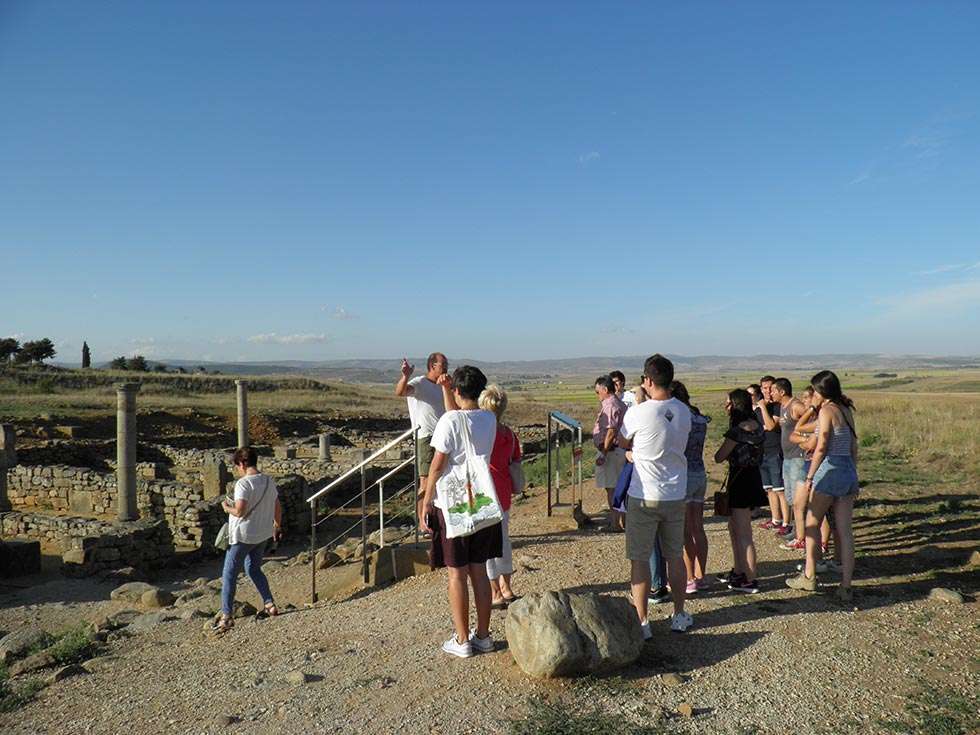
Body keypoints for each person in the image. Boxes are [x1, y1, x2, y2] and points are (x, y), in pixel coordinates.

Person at [419, 365, 502, 658]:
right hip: (481, 501)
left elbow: (438, 463)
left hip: (453, 503)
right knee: (479, 569)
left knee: (457, 573)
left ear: (456, 390)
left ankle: (462, 638)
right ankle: (483, 635)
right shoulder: (489, 419)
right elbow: (462, 417)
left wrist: (426, 499)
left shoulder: (449, 421)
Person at [618, 354, 693, 636]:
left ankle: (643, 621)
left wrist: (639, 404)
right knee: (675, 555)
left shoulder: (639, 411)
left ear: (648, 380)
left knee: (640, 559)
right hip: (675, 493)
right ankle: (679, 613)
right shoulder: (683, 411)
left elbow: (624, 441)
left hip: (644, 493)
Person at [786, 371, 858, 602]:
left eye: (815, 391)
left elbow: (822, 444)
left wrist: (810, 477)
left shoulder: (827, 410)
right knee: (845, 531)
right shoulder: (845, 409)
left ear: (822, 391)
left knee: (811, 522)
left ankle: (809, 575)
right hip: (848, 471)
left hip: (829, 470)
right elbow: (854, 444)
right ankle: (846, 585)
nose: (813, 394)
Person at [216, 447, 282, 633]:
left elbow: (240, 511)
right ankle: (269, 604)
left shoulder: (243, 484)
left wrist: (225, 507)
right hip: (262, 533)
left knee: (229, 574)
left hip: (243, 536)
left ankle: (226, 616)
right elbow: (277, 505)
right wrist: (277, 525)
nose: (237, 469)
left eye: (237, 465)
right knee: (253, 568)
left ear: (243, 463)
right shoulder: (269, 481)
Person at [714, 389, 767, 593]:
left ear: (735, 405)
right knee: (737, 528)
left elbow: (719, 456)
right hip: (754, 477)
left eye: (728, 404)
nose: (726, 407)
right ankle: (739, 571)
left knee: (743, 533)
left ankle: (750, 578)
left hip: (739, 480)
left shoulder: (737, 431)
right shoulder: (759, 428)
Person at [478, 384, 522, 608]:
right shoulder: (509, 435)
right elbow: (516, 459)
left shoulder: (483, 434)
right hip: (503, 491)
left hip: (483, 493)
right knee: (503, 541)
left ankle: (494, 590)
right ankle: (507, 587)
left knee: (486, 544)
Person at [395, 353, 453, 521]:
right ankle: (422, 521)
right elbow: (400, 392)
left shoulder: (444, 385)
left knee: (442, 478)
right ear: (432, 366)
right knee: (426, 481)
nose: (446, 367)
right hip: (427, 438)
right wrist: (405, 376)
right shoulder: (420, 383)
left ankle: (437, 517)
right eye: (443, 365)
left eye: (447, 364)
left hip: (443, 437)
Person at [671, 380, 710, 593]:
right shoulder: (699, 416)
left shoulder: (680, 417)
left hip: (683, 474)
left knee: (685, 530)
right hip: (699, 472)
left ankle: (689, 576)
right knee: (698, 527)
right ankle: (701, 574)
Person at [762, 378, 809, 550]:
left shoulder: (795, 406)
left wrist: (806, 439)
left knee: (799, 501)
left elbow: (814, 422)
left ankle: (802, 537)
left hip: (798, 457)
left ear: (782, 392)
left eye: (773, 390)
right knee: (791, 498)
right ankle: (797, 531)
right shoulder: (782, 406)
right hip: (788, 457)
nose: (770, 393)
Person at [593, 375, 627, 529]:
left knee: (612, 488)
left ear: (605, 389)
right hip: (616, 451)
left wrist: (604, 453)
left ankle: (616, 523)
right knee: (616, 487)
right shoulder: (616, 403)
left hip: (612, 452)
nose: (597, 395)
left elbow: (611, 431)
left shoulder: (611, 404)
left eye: (598, 391)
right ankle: (620, 521)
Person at [756, 376, 789, 536]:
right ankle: (775, 519)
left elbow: (770, 425)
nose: (767, 391)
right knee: (769, 489)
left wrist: (762, 407)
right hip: (763, 452)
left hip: (775, 451)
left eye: (769, 387)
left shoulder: (777, 406)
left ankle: (787, 522)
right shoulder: (760, 407)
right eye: (763, 388)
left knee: (780, 490)